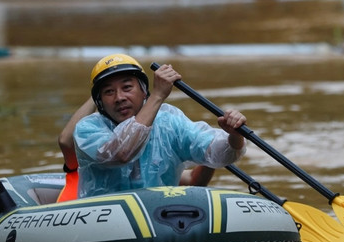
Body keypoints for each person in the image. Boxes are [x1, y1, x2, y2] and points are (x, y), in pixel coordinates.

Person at [71, 53, 246, 198]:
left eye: (127, 87)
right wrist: (158, 95)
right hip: (104, 220)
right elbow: (121, 153)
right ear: (100, 101)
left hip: (161, 216)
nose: (119, 98)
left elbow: (218, 153)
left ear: (143, 91)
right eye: (109, 92)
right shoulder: (87, 129)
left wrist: (234, 135)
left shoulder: (169, 121)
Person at [56, 97, 216, 201]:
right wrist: (98, 94)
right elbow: (66, 141)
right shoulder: (91, 151)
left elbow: (194, 181)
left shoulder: (152, 166)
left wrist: (212, 148)